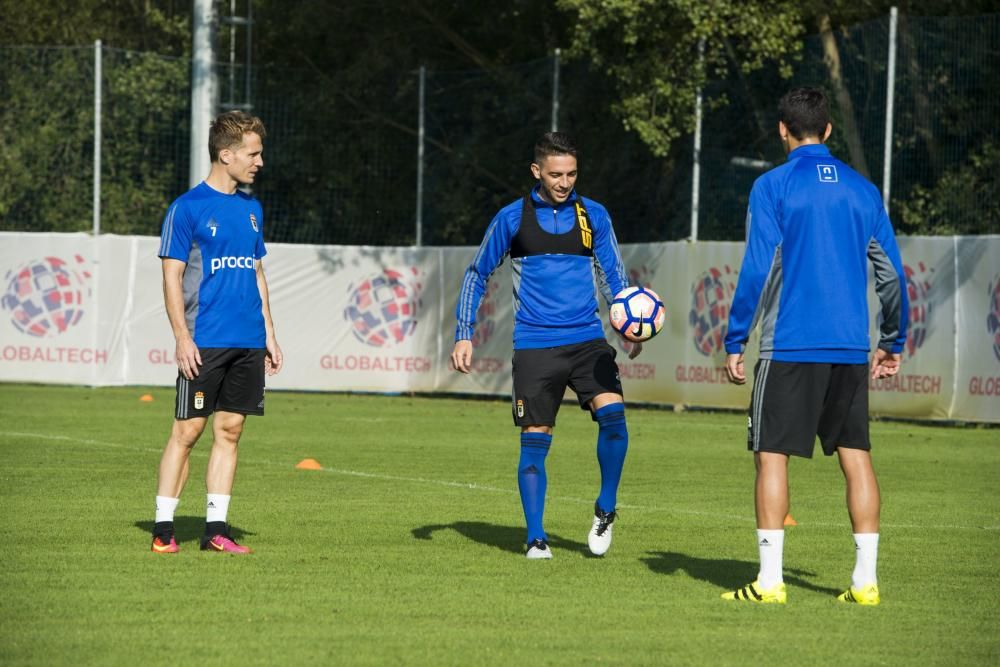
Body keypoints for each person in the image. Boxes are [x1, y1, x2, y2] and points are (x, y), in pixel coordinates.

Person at [721, 88, 908, 604]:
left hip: (790, 347)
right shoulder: (864, 191)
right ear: (828, 130)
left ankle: (770, 582)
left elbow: (758, 268)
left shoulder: (772, 186)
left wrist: (736, 337)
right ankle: (865, 583)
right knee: (857, 456)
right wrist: (893, 339)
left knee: (771, 455)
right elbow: (891, 275)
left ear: (783, 130)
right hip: (850, 348)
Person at [451, 131, 641, 559]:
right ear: (537, 171)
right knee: (536, 439)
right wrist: (464, 332)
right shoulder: (511, 219)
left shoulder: (594, 216)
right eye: (556, 174)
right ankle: (536, 536)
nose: (565, 181)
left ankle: (606, 507)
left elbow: (614, 276)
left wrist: (626, 323)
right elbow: (476, 273)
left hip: (589, 340)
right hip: (535, 346)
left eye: (572, 173)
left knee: (615, 419)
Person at [150, 110, 283, 554]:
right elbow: (171, 278)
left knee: (230, 431)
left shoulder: (251, 209)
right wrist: (182, 337)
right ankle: (164, 530)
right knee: (186, 432)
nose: (259, 162)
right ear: (226, 155)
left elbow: (257, 272)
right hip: (204, 340)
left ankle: (215, 531)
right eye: (253, 153)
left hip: (247, 341)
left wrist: (269, 332)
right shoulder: (186, 208)